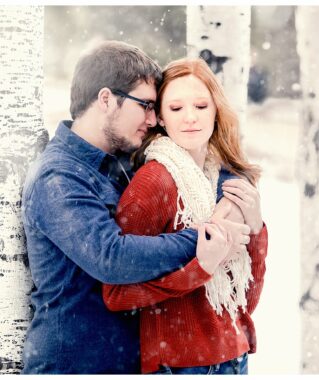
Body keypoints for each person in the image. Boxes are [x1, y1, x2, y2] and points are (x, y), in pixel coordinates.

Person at [21, 41, 252, 374]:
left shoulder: (124, 163)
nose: (152, 118)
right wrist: (207, 236)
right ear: (105, 99)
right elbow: (111, 257)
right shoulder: (58, 175)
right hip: (74, 365)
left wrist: (242, 211)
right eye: (144, 105)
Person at [102, 58, 268, 375]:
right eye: (176, 109)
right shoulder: (153, 183)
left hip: (235, 358)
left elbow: (244, 300)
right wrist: (200, 268)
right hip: (181, 365)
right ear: (160, 118)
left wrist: (257, 228)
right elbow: (116, 294)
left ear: (216, 110)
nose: (190, 118)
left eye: (201, 106)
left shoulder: (224, 180)